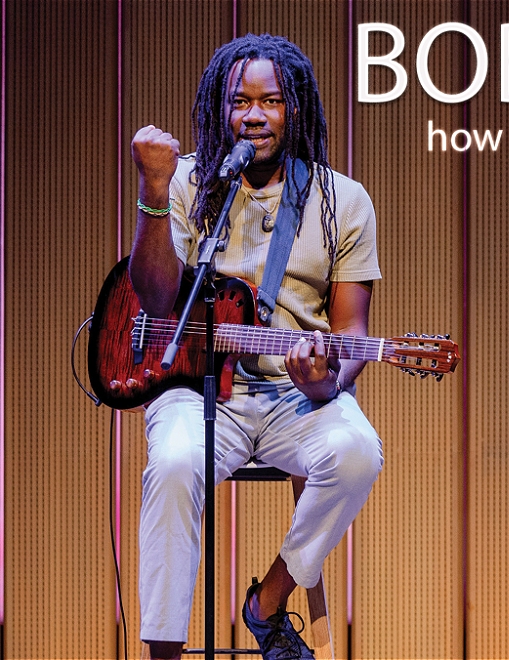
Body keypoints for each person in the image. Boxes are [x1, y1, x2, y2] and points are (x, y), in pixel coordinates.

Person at [129, 34, 383, 660]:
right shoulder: (188, 182)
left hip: (296, 395)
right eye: (240, 101)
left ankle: (267, 603)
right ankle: (162, 653)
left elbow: (351, 333)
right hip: (196, 388)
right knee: (173, 462)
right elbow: (156, 299)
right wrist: (154, 197)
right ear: (220, 108)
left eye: (270, 101)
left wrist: (327, 381)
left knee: (357, 453)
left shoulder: (342, 200)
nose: (254, 115)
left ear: (295, 107)